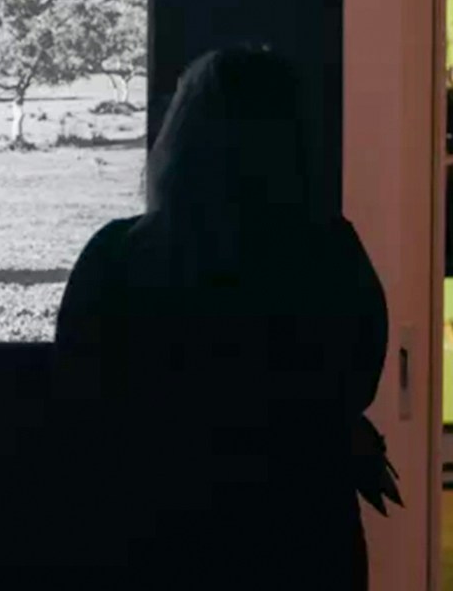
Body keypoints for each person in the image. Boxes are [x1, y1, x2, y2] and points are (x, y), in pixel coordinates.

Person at [42, 45, 389, 590]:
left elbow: (79, 390)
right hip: (301, 534)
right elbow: (357, 379)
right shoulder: (330, 249)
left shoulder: (116, 254)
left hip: (152, 532)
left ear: (180, 137)